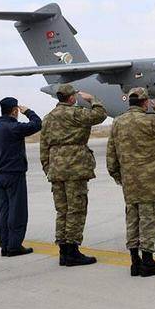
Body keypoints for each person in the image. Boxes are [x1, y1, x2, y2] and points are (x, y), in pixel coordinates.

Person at [106, 87, 155, 277]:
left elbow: (111, 153)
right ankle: (148, 262)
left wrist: (117, 175)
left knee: (132, 219)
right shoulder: (151, 120)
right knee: (149, 219)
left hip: (129, 180)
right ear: (145, 102)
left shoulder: (118, 122)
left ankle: (134, 263)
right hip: (151, 180)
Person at [40, 83, 108, 267]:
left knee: (62, 210)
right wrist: (93, 99)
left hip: (56, 168)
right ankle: (72, 251)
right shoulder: (76, 113)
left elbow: (43, 146)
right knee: (76, 209)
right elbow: (100, 115)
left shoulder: (48, 118)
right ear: (71, 98)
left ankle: (63, 250)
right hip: (75, 168)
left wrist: (48, 168)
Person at [0, 97, 42, 257]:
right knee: (18, 211)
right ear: (15, 111)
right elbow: (37, 124)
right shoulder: (13, 127)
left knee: (4, 211)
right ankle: (14, 246)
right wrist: (28, 112)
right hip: (14, 174)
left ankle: (5, 245)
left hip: (0, 174)